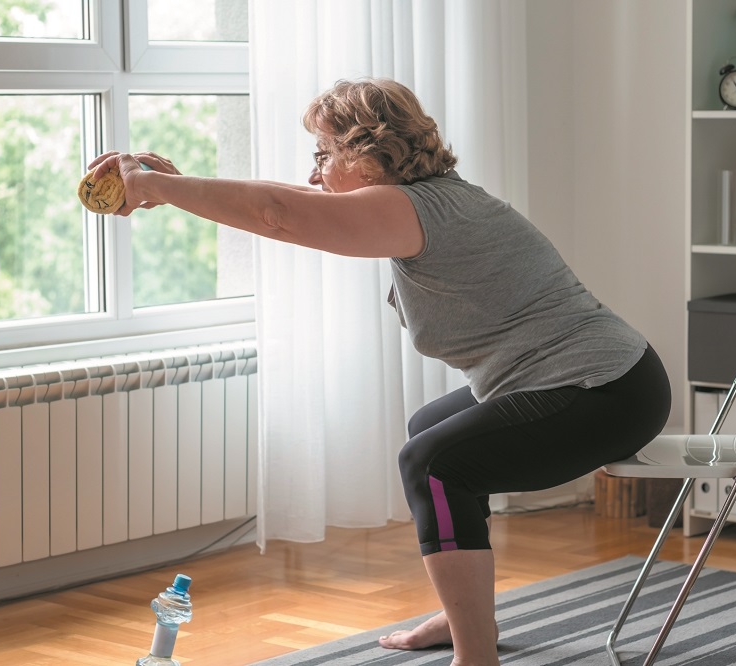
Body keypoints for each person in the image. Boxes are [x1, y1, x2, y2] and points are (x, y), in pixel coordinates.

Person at [89, 77, 671, 666]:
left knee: (437, 464)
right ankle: (465, 616)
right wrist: (173, 187)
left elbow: (278, 212)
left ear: (365, 155)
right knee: (430, 430)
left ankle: (477, 656)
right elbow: (285, 200)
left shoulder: (412, 207)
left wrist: (158, 186)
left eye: (323, 154)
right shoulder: (427, 198)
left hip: (605, 390)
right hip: (607, 379)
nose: (315, 173)